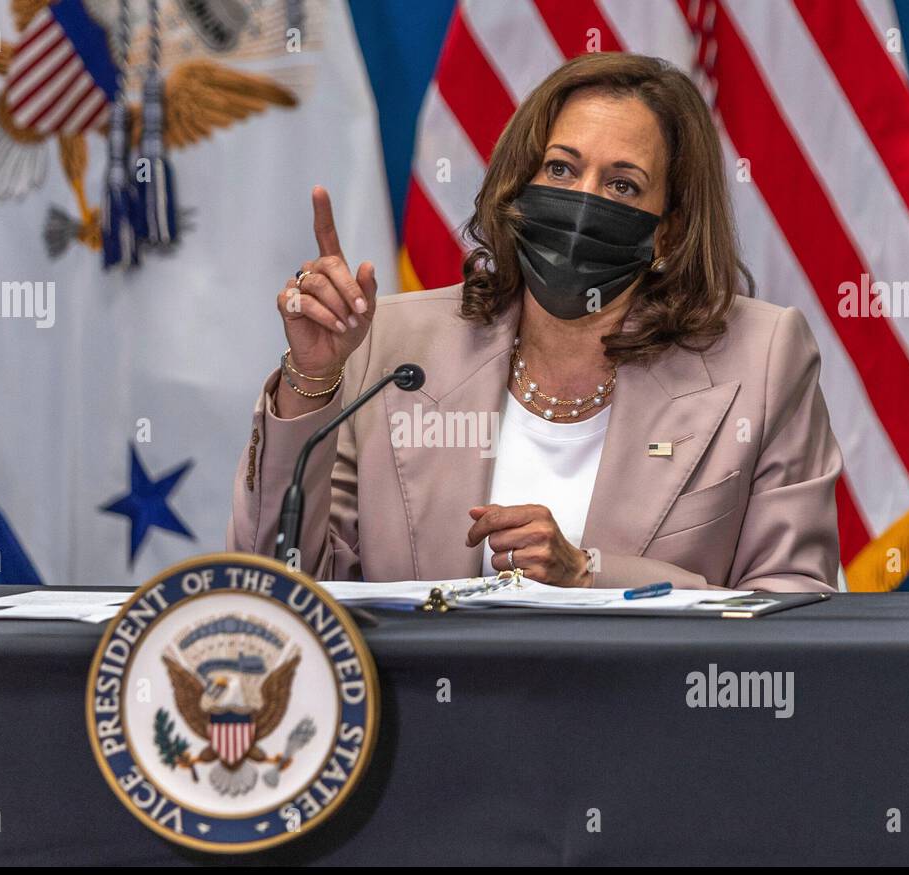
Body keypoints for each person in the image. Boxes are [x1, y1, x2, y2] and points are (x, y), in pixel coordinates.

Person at [231, 53, 842, 591]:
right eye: (560, 170)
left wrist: (591, 573)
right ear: (519, 185)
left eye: (623, 185)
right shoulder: (392, 347)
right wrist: (311, 378)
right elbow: (277, 583)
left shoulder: (761, 358)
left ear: (669, 230)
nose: (583, 201)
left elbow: (787, 604)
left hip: (650, 716)